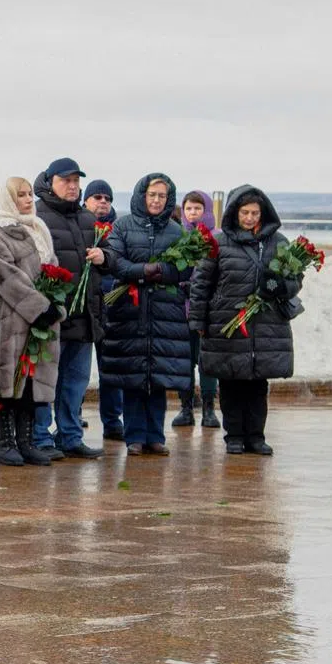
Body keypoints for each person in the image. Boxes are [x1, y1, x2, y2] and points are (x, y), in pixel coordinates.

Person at [189, 186, 298, 456]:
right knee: (231, 382)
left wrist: (280, 287)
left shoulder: (278, 242)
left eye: (255, 213)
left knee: (258, 384)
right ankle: (234, 436)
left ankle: (256, 437)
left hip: (266, 323)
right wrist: (198, 321)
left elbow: (295, 279)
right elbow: (202, 284)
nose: (249, 218)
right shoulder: (218, 242)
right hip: (228, 322)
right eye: (244, 212)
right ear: (234, 212)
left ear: (264, 214)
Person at [103, 174, 192, 456]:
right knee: (133, 377)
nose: (156, 200)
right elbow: (114, 260)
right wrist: (143, 271)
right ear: (142, 195)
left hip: (165, 312)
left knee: (159, 378)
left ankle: (156, 436)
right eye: (152, 195)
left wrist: (163, 272)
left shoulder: (176, 231)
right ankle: (135, 437)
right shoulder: (124, 225)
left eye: (161, 196)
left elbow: (186, 268)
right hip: (131, 310)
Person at [32, 158, 114, 459]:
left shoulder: (87, 219)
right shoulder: (38, 216)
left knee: (75, 382)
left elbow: (111, 259)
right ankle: (40, 436)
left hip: (84, 315)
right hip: (52, 316)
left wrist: (104, 257)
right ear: (51, 181)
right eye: (66, 180)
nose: (72, 186)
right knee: (44, 380)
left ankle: (69, 435)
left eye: (76, 181)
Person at [0, 177, 63, 466]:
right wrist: (39, 307)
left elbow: (51, 268)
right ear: (8, 199)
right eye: (21, 195)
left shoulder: (38, 228)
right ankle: (6, 444)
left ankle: (27, 442)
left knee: (30, 382)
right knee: (7, 379)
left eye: (30, 194)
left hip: (37, 319)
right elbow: (5, 276)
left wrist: (54, 303)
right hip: (9, 317)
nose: (29, 199)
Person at [173, 190, 221, 429]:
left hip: (208, 310)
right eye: (189, 208)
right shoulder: (178, 237)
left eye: (198, 208)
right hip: (182, 307)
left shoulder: (217, 237)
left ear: (207, 210)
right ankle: (185, 407)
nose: (193, 213)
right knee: (184, 359)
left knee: (206, 359)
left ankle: (209, 409)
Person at [82, 179, 124, 441]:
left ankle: (112, 420)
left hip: (111, 305)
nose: (103, 202)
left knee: (111, 368)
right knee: (77, 368)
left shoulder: (118, 230)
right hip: (83, 307)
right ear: (86, 201)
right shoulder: (79, 225)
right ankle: (72, 416)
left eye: (107, 198)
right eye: (97, 197)